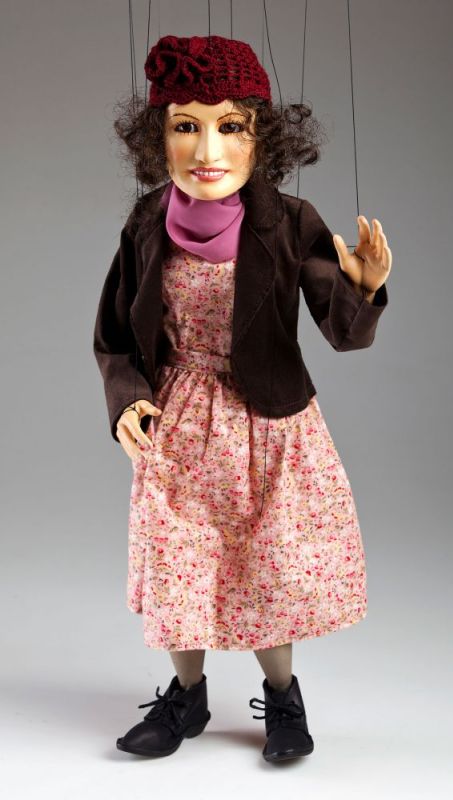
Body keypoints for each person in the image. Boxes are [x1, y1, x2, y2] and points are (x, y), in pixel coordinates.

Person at [93, 34, 392, 763]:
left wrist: (361, 288)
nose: (208, 150)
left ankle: (283, 698)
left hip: (270, 426)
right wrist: (127, 401)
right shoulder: (146, 223)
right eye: (185, 126)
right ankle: (186, 697)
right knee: (180, 562)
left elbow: (341, 333)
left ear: (264, 137)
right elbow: (114, 333)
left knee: (268, 565)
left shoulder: (288, 221)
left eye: (230, 126)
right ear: (156, 138)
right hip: (179, 424)